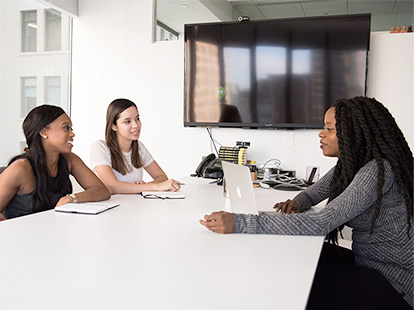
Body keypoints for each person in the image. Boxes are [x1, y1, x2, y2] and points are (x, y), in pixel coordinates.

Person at [200, 96, 413, 309]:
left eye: (329, 129)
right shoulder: (350, 168)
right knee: (294, 255)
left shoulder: (377, 171)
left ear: (355, 133)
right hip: (366, 262)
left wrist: (240, 223)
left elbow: (322, 222)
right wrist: (297, 203)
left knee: (296, 282)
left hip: (394, 284)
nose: (321, 133)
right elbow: (311, 195)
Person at [0, 105, 110, 221]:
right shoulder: (20, 168)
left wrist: (72, 198)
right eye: (66, 128)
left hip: (53, 233)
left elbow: (102, 191)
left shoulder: (69, 160)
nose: (72, 134)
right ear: (43, 132)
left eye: (71, 129)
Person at [90, 98, 180, 194]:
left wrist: (145, 186)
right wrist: (150, 187)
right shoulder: (100, 147)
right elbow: (112, 186)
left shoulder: (139, 147)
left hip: (135, 205)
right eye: (127, 121)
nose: (136, 125)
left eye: (137, 119)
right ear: (113, 126)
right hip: (112, 206)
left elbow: (161, 177)